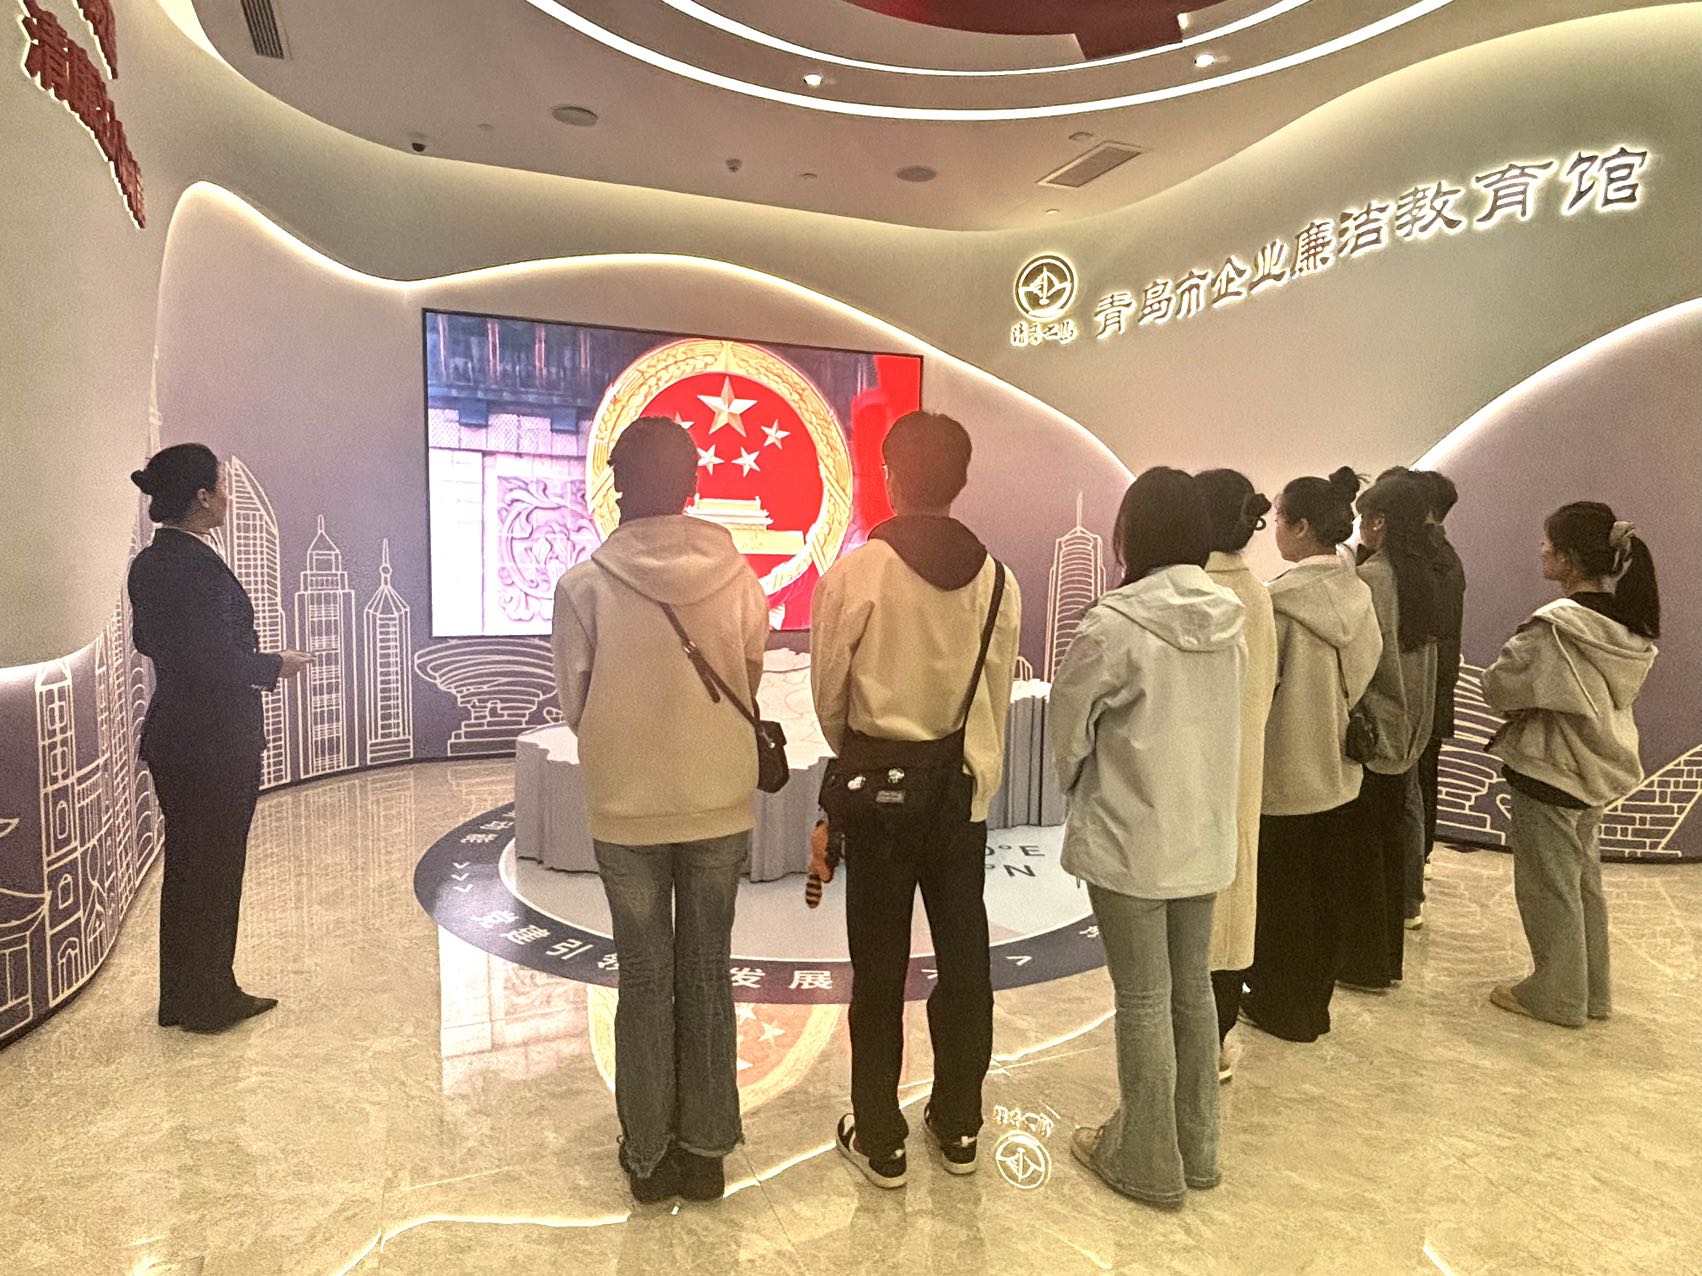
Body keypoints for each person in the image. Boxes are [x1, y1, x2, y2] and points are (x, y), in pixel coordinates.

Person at [550, 417, 770, 1203]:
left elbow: (574, 703)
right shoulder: (739, 577)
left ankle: (647, 1156)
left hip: (626, 805)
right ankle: (706, 1152)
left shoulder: (583, 586)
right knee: (707, 972)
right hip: (718, 800)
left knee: (644, 978)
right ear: (693, 485)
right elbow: (749, 675)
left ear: (616, 485)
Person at [811, 410, 1021, 1188]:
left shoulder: (857, 574)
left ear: (890, 477)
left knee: (878, 968)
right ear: (961, 481)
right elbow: (995, 699)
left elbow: (829, 693)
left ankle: (880, 1137)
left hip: (878, 798)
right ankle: (958, 1123)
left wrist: (864, 752)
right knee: (965, 961)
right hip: (959, 797)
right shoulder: (999, 580)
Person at [1049, 467, 1245, 1208]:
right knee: (1192, 991)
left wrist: (1080, 782)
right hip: (1204, 835)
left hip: (1130, 836)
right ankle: (1198, 1150)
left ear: (1131, 532)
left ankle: (1146, 1162)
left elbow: (1069, 732)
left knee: (1142, 999)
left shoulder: (1113, 624)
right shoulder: (1230, 620)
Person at [127, 445, 311, 1034]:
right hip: (215, 743)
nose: (228, 497)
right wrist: (275, 665)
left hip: (175, 738)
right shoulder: (196, 567)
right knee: (216, 871)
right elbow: (214, 661)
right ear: (202, 497)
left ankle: (181, 997)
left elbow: (156, 645)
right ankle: (211, 1000)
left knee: (187, 868)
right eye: (222, 486)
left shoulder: (150, 563)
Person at [1483, 503, 1658, 1027]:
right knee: (1583, 885)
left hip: (1552, 766)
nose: (1541, 550)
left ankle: (1556, 995)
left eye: (1547, 543)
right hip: (1596, 769)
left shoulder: (1558, 628)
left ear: (1568, 558)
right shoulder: (1626, 626)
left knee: (1547, 888)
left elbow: (1499, 685)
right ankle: (1590, 993)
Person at [1241, 468, 1381, 1043]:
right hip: (1339, 770)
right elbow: (1366, 669)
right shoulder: (1359, 594)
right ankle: (1312, 1006)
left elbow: (1256, 690)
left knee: (1280, 898)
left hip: (1283, 769)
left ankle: (1279, 1005)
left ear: (1301, 527)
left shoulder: (1275, 603)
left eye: (1279, 519)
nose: (1274, 529)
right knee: (1324, 894)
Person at [1336, 473, 1440, 992]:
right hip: (1409, 731)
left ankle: (1362, 964)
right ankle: (1385, 962)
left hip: (1373, 729)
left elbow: (1358, 662)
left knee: (1363, 855)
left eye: (1364, 519)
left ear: (1378, 522)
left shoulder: (1372, 579)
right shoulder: (1425, 577)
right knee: (1391, 846)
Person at [1193, 470, 1278, 1081]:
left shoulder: (1196, 594)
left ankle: (1193, 1046)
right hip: (1243, 776)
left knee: (1190, 923)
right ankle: (1217, 1038)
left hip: (1189, 784)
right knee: (1229, 909)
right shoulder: (1257, 593)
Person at [1377, 466, 1467, 916]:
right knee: (1417, 787)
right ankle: (1410, 883)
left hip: (1416, 693)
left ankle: (1408, 891)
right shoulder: (1439, 558)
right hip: (1426, 691)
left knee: (1413, 790)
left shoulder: (1427, 563)